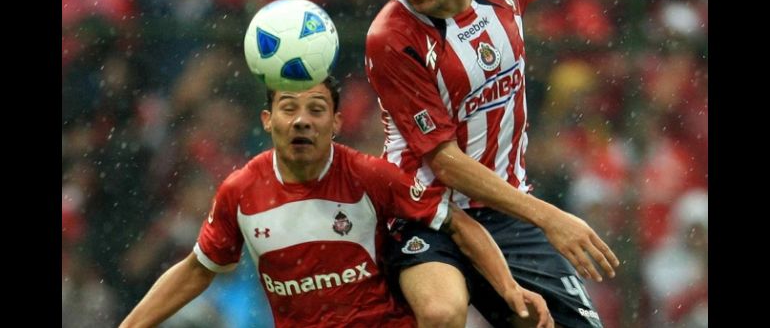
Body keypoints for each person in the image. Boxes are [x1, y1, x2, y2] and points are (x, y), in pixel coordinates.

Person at [364, 0, 661, 327]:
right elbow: (444, 161)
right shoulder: (391, 38)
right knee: (442, 314)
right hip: (426, 212)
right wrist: (549, 216)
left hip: (507, 213)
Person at [119, 76, 554, 328]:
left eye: (316, 109)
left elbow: (457, 223)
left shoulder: (372, 177)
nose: (302, 121)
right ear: (268, 121)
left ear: (337, 122)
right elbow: (198, 269)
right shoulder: (240, 191)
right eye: (289, 108)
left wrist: (508, 286)